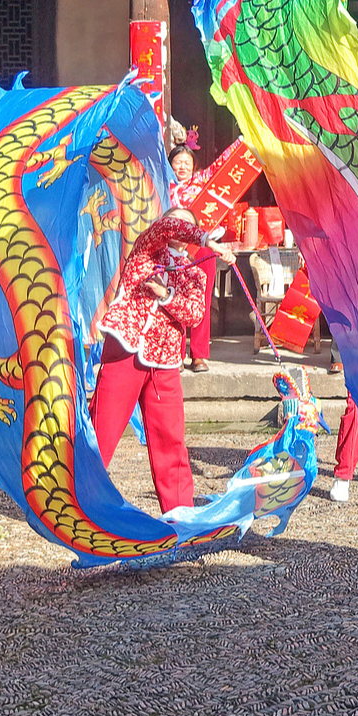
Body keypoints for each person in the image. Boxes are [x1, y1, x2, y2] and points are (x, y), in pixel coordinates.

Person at [92, 209, 237, 511]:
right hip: (126, 351)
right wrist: (207, 238)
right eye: (177, 221)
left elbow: (194, 314)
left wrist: (166, 294)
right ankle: (79, 497)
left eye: (189, 224)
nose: (181, 227)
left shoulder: (195, 272)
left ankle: (180, 511)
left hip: (166, 361)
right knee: (102, 430)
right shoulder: (147, 250)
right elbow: (167, 226)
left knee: (170, 440)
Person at [168, 146, 220, 372]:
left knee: (202, 300)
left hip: (202, 249)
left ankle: (199, 355)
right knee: (174, 300)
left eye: (187, 162)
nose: (183, 166)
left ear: (194, 165)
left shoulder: (203, 186)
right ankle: (175, 354)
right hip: (173, 251)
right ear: (170, 165)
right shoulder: (163, 186)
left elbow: (224, 165)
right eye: (178, 162)